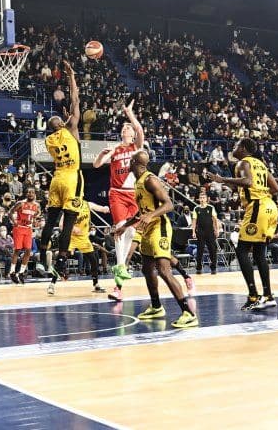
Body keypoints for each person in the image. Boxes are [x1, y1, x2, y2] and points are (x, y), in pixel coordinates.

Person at [117, 151, 197, 329]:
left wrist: (151, 215)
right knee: (147, 269)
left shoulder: (149, 179)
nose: (128, 163)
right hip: (147, 227)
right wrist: (126, 225)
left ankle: (189, 313)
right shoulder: (138, 182)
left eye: (130, 160)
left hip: (159, 227)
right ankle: (156, 306)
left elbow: (169, 204)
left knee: (163, 269)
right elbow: (142, 212)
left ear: (136, 162)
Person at [206, 138, 278, 311]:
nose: (233, 148)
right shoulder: (260, 164)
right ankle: (268, 296)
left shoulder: (243, 162)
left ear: (244, 149)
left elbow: (248, 182)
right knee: (259, 253)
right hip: (269, 206)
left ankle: (253, 296)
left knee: (242, 250)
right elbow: (275, 188)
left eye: (236, 145)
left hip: (257, 207)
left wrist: (222, 179)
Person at [93, 100, 144, 298]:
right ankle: (121, 266)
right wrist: (101, 154)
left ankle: (120, 271)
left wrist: (129, 113)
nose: (125, 129)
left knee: (130, 231)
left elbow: (139, 129)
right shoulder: (115, 149)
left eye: (128, 128)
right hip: (116, 193)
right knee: (120, 228)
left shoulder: (136, 148)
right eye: (123, 128)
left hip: (133, 194)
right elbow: (97, 166)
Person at [39, 60, 82, 286]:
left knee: (51, 220)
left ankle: (41, 253)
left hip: (56, 178)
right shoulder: (71, 129)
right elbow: (75, 99)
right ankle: (63, 260)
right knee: (68, 223)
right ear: (61, 123)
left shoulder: (48, 139)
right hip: (72, 177)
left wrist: (63, 121)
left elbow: (60, 123)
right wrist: (71, 76)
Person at [47, 200, 109, 295]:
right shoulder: (69, 206)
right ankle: (52, 285)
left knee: (94, 260)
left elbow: (99, 208)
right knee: (61, 260)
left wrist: (105, 209)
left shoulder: (87, 204)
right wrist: (72, 228)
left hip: (83, 238)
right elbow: (60, 225)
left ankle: (96, 284)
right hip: (71, 238)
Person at [8, 187, 40, 284]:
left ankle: (21, 272)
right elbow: (10, 212)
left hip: (28, 229)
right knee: (17, 250)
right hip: (19, 228)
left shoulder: (36, 205)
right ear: (26, 194)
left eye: (32, 192)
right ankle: (12, 271)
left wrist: (34, 220)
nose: (30, 194)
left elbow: (36, 214)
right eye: (28, 192)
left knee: (28, 250)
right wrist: (14, 222)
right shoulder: (21, 203)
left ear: (35, 194)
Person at [192, 191, 221, 275]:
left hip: (210, 231)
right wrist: (193, 231)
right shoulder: (196, 208)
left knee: (212, 249)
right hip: (200, 232)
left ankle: (213, 268)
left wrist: (217, 230)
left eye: (203, 198)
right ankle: (199, 268)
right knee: (200, 250)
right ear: (199, 199)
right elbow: (194, 221)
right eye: (200, 198)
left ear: (207, 199)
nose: (202, 199)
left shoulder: (211, 207)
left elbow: (215, 220)